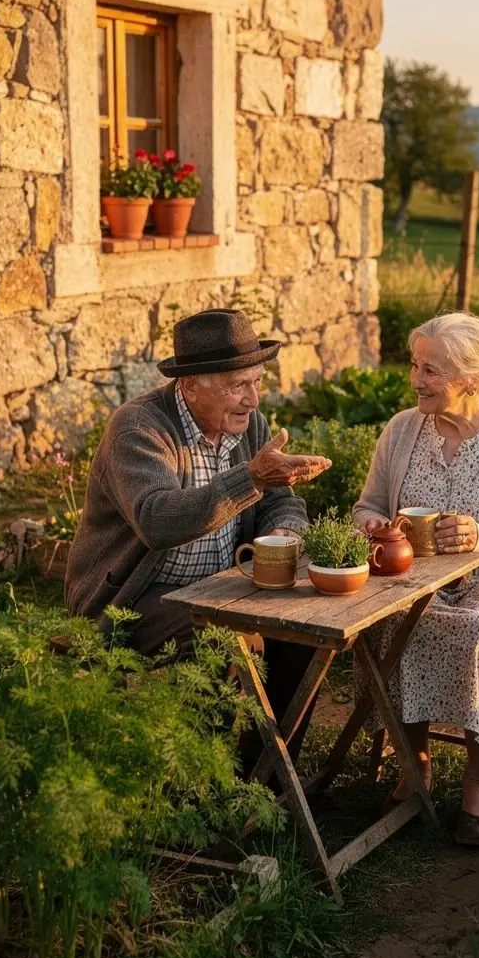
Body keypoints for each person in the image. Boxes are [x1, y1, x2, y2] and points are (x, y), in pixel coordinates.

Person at [66, 308, 331, 758]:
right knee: (225, 642)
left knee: (304, 632)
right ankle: (199, 780)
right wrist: (250, 478)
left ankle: (265, 779)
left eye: (257, 381)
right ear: (189, 386)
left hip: (220, 588)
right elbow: (157, 520)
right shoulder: (139, 428)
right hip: (136, 597)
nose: (253, 399)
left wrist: (283, 532)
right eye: (237, 386)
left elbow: (282, 501)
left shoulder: (252, 426)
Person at [353, 310, 479, 847]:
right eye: (416, 366)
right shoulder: (401, 431)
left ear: (470, 379)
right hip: (411, 580)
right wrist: (372, 525)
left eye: (431, 371)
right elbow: (366, 506)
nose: (416, 380)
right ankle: (413, 758)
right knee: (390, 619)